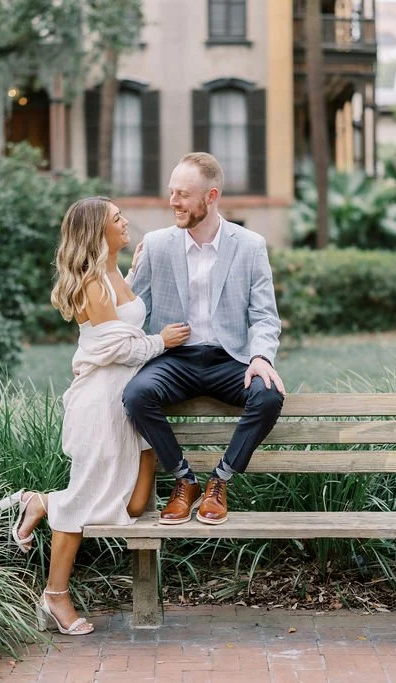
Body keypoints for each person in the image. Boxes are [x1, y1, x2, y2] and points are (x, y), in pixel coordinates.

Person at [0, 197, 190, 636]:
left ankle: (42, 502)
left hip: (129, 401)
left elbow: (126, 320)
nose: (126, 222)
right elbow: (120, 347)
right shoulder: (92, 285)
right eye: (116, 219)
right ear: (97, 232)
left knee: (135, 504)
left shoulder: (115, 274)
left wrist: (135, 271)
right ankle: (54, 597)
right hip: (101, 406)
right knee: (86, 503)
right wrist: (161, 341)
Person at [123, 152, 286, 527]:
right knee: (136, 395)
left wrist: (261, 357)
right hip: (174, 359)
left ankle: (220, 480)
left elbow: (264, 315)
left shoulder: (249, 245)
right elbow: (134, 310)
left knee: (268, 395)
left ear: (211, 197)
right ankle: (185, 480)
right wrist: (129, 276)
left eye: (183, 194)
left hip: (229, 358)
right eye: (171, 192)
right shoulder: (158, 244)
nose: (173, 202)